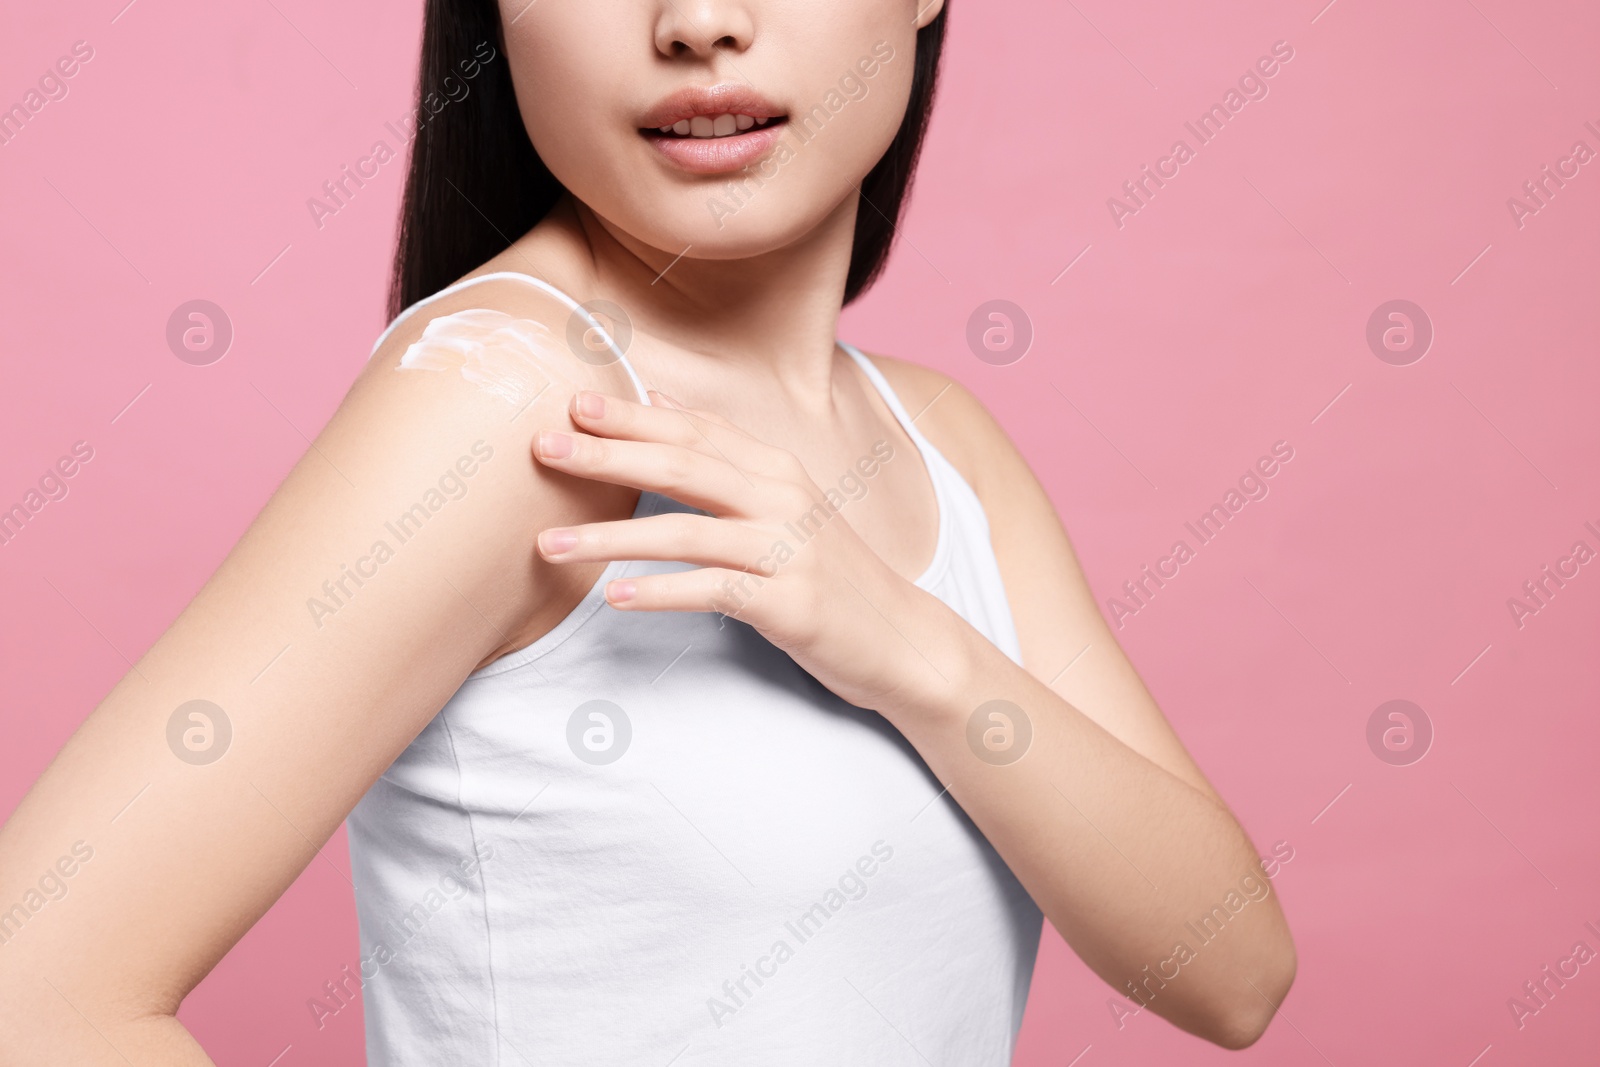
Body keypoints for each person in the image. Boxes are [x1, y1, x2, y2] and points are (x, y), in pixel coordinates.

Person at [0, 0, 1295, 1062]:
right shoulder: (509, 404)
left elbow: (1230, 973)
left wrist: (910, 651)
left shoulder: (944, 447)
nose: (697, 22)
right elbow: (39, 997)